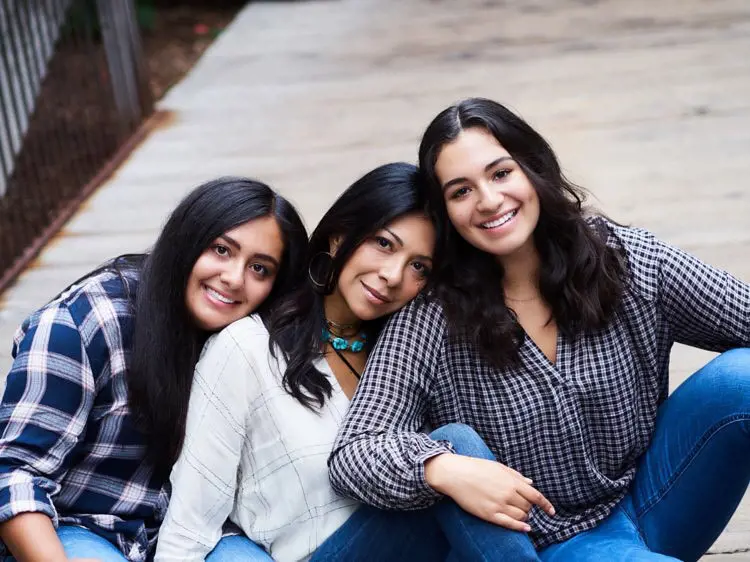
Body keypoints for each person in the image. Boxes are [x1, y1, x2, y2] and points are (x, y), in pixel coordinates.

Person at [329, 98, 750, 562]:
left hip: (661, 491)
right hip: (556, 543)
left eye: (501, 173)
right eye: (460, 191)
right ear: (444, 212)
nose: (489, 201)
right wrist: (441, 467)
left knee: (742, 376)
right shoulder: (432, 320)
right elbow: (355, 451)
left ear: (534, 168)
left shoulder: (624, 259)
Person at [0, 177, 308, 562]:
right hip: (79, 525)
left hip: (198, 531)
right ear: (186, 240)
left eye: (259, 269)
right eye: (221, 250)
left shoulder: (252, 340)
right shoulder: (86, 323)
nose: (233, 278)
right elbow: (13, 473)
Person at [155, 162, 448, 562]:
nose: (393, 275)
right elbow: (191, 521)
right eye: (383, 243)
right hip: (321, 555)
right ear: (338, 237)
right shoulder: (249, 348)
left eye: (420, 267)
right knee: (456, 451)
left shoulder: (406, 355)